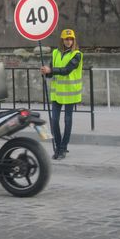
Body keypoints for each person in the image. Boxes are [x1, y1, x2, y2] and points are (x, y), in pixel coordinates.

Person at [40, 28, 83, 160]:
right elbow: (52, 71)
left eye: (71, 39)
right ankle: (58, 147)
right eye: (66, 39)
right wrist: (46, 73)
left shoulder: (77, 54)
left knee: (67, 121)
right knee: (54, 121)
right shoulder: (55, 53)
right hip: (57, 93)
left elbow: (67, 70)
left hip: (71, 93)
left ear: (74, 40)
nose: (68, 41)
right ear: (62, 40)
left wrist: (51, 69)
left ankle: (63, 148)